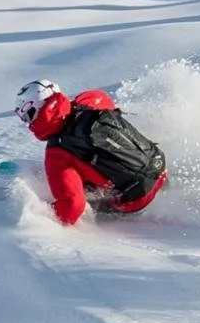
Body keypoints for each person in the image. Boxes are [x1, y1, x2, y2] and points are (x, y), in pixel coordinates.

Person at [14, 79, 167, 225]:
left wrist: (41, 212)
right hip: (158, 164)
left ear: (34, 111)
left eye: (26, 117)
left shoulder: (56, 153)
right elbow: (105, 99)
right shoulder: (90, 100)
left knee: (88, 196)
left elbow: (72, 208)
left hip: (136, 200)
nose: (28, 123)